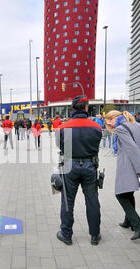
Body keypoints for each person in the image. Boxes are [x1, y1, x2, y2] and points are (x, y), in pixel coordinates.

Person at [55, 96, 102, 246]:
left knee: (67, 201)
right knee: (92, 201)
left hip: (70, 165)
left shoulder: (63, 127)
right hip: (89, 165)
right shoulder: (96, 126)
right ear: (87, 107)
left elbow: (59, 145)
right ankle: (95, 235)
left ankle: (66, 234)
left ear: (73, 109)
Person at [105, 110, 140, 240]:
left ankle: (138, 225)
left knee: (120, 195)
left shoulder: (121, 129)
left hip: (129, 166)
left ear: (113, 118)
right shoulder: (139, 125)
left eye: (108, 121)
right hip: (138, 164)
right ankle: (128, 221)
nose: (109, 125)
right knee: (127, 193)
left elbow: (131, 148)